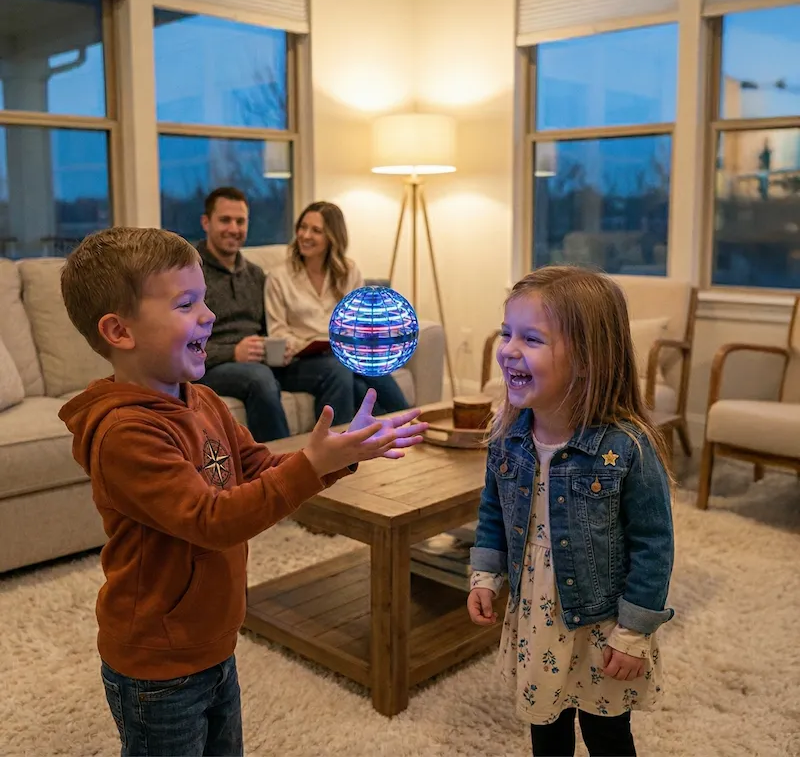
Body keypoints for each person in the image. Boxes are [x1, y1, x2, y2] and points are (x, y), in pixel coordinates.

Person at [57, 227, 428, 757]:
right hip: (157, 662)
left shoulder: (203, 400)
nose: (208, 316)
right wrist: (311, 466)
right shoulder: (124, 434)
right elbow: (212, 520)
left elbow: (258, 468)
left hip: (213, 639)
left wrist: (336, 455)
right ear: (119, 330)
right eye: (186, 304)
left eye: (204, 299)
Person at [467, 265, 674, 757]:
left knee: (607, 735)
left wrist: (633, 632)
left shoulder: (626, 447)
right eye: (506, 332)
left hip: (602, 623)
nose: (508, 350)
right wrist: (484, 575)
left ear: (586, 359)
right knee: (545, 726)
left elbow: (653, 544)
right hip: (536, 616)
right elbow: (493, 511)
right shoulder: (507, 436)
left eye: (532, 338)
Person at [266, 201, 409, 426]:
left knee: (366, 372)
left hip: (343, 355)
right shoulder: (279, 277)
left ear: (332, 237)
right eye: (303, 227)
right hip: (299, 362)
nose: (305, 235)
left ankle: (402, 428)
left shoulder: (348, 272)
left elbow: (361, 322)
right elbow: (277, 331)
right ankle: (406, 427)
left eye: (316, 230)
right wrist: (306, 344)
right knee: (342, 367)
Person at [194, 186, 291, 442]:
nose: (234, 228)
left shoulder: (255, 274)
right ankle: (280, 461)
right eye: (225, 220)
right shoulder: (191, 272)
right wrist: (233, 352)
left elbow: (269, 329)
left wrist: (283, 346)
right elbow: (181, 343)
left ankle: (344, 452)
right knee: (259, 378)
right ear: (206, 222)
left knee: (334, 370)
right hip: (209, 367)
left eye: (240, 221)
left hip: (258, 362)